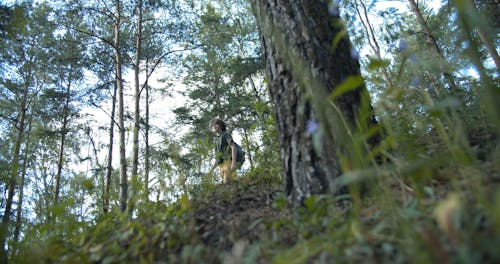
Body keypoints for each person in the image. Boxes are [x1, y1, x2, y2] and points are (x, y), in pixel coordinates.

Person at [208, 118, 239, 184]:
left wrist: (233, 162)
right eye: (212, 125)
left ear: (221, 125)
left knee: (227, 182)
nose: (213, 126)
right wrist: (211, 170)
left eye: (215, 124)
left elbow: (233, 147)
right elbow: (218, 158)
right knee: (228, 183)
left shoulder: (226, 135)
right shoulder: (216, 140)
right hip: (222, 165)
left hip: (228, 161)